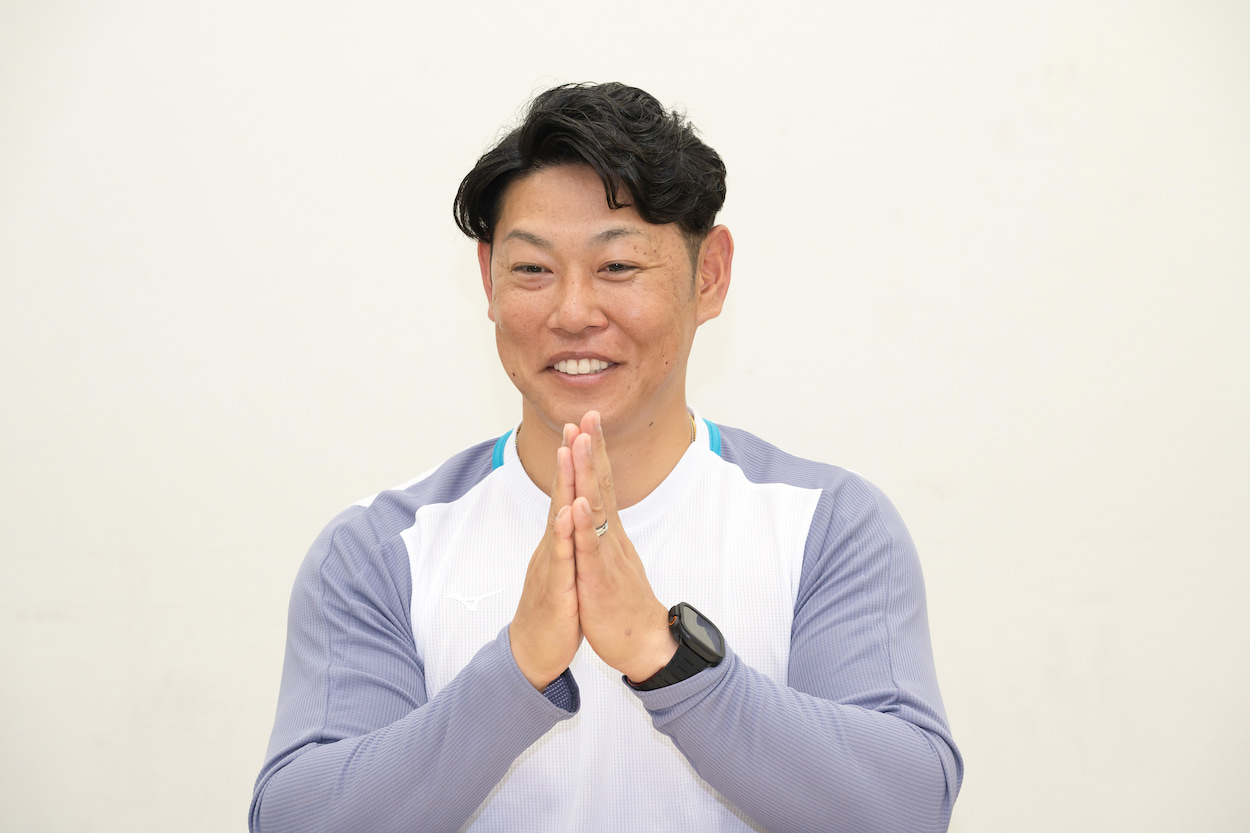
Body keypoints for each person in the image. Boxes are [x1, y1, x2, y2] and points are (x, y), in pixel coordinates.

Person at [250, 82, 963, 833]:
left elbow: (905, 808)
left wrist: (665, 655)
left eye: (618, 267)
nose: (572, 313)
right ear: (488, 278)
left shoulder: (828, 526)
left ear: (709, 275)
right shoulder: (378, 551)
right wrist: (517, 668)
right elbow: (300, 820)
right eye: (532, 270)